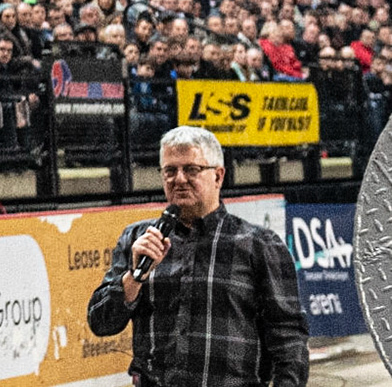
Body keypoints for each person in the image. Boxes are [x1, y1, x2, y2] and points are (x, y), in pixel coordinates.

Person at [88, 126, 307, 387]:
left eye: (191, 169)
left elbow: (289, 339)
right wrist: (134, 278)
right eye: (170, 170)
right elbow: (100, 323)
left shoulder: (259, 245)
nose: (178, 179)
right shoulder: (138, 240)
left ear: (218, 176)